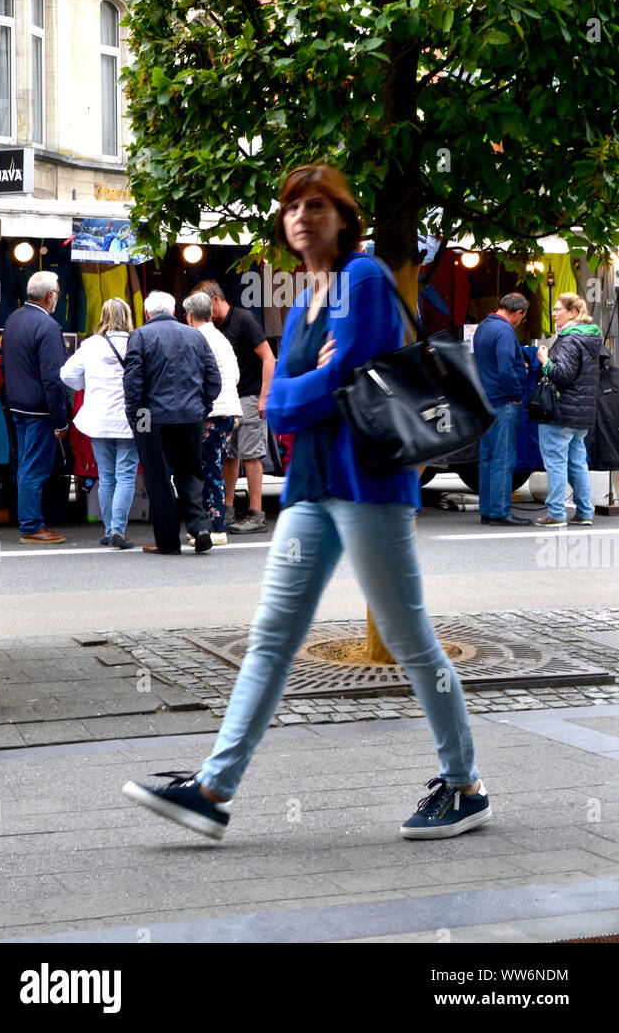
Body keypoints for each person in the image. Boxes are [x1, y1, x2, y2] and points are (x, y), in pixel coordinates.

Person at [123, 164, 491, 842]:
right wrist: (309, 383)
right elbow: (281, 406)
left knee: (409, 640)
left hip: (367, 484)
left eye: (317, 205)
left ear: (343, 218)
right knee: (271, 637)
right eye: (293, 206)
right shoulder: (301, 302)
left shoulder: (364, 280)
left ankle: (464, 784)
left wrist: (308, 384)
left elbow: (338, 384)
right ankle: (211, 789)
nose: (302, 216)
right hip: (310, 489)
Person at [122, 291, 221, 554]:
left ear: (147, 314)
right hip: (191, 416)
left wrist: (134, 416)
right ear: (174, 311)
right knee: (191, 474)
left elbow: (133, 382)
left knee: (159, 479)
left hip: (151, 419)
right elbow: (214, 380)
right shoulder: (195, 335)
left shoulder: (140, 336)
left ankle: (167, 542)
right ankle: (200, 528)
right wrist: (202, 408)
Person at [192, 281, 276, 535]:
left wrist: (264, 397)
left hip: (249, 396)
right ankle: (226, 508)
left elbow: (269, 358)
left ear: (216, 300)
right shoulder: (215, 327)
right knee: (229, 455)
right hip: (229, 400)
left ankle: (256, 512)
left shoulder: (243, 319)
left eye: (205, 305)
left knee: (251, 455)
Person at [60, 298, 138, 549]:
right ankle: (118, 531)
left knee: (106, 477)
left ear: (104, 316)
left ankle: (108, 531)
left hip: (99, 420)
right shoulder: (136, 342)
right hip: (128, 421)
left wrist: (87, 386)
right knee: (125, 476)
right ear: (127, 316)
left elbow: (66, 374)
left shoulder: (91, 344)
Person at [1, 271, 69, 545]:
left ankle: (29, 520)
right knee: (35, 468)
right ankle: (30, 525)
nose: (58, 297)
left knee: (25, 465)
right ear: (50, 296)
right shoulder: (48, 326)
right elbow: (54, 378)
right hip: (39, 409)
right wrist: (61, 419)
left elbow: (5, 365)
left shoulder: (13, 319)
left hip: (17, 404)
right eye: (57, 293)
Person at [535, 293, 602, 527]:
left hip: (561, 411)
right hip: (581, 412)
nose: (553, 314)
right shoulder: (590, 339)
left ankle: (556, 513)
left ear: (573, 313)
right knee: (577, 462)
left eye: (558, 310)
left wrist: (544, 359)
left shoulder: (570, 340)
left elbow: (562, 374)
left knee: (556, 462)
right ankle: (584, 512)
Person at [183, 292, 242, 546]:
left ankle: (217, 528)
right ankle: (206, 526)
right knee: (212, 465)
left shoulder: (198, 338)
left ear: (189, 316)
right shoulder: (220, 337)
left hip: (213, 411)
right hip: (229, 410)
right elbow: (236, 375)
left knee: (209, 469)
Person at [473, 293, 532, 526]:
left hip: (484, 401)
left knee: (487, 458)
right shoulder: (505, 331)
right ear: (518, 313)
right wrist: (517, 395)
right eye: (522, 317)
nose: (520, 322)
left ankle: (487, 510)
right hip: (503, 402)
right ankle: (500, 512)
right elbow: (506, 368)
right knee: (503, 459)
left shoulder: (482, 327)